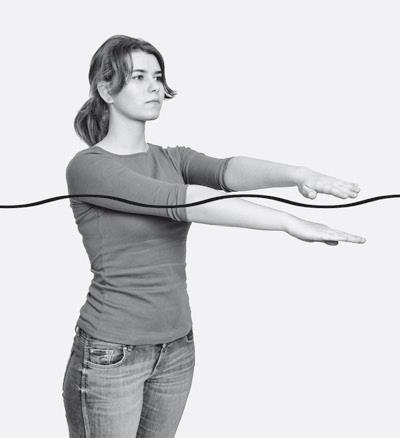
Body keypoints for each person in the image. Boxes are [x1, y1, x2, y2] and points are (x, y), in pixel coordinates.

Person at [62, 34, 366, 438]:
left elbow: (228, 171)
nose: (154, 87)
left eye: (158, 76)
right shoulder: (88, 167)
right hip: (111, 354)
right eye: (138, 76)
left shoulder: (172, 158)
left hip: (176, 349)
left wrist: (300, 174)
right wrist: (288, 223)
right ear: (106, 89)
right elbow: (178, 200)